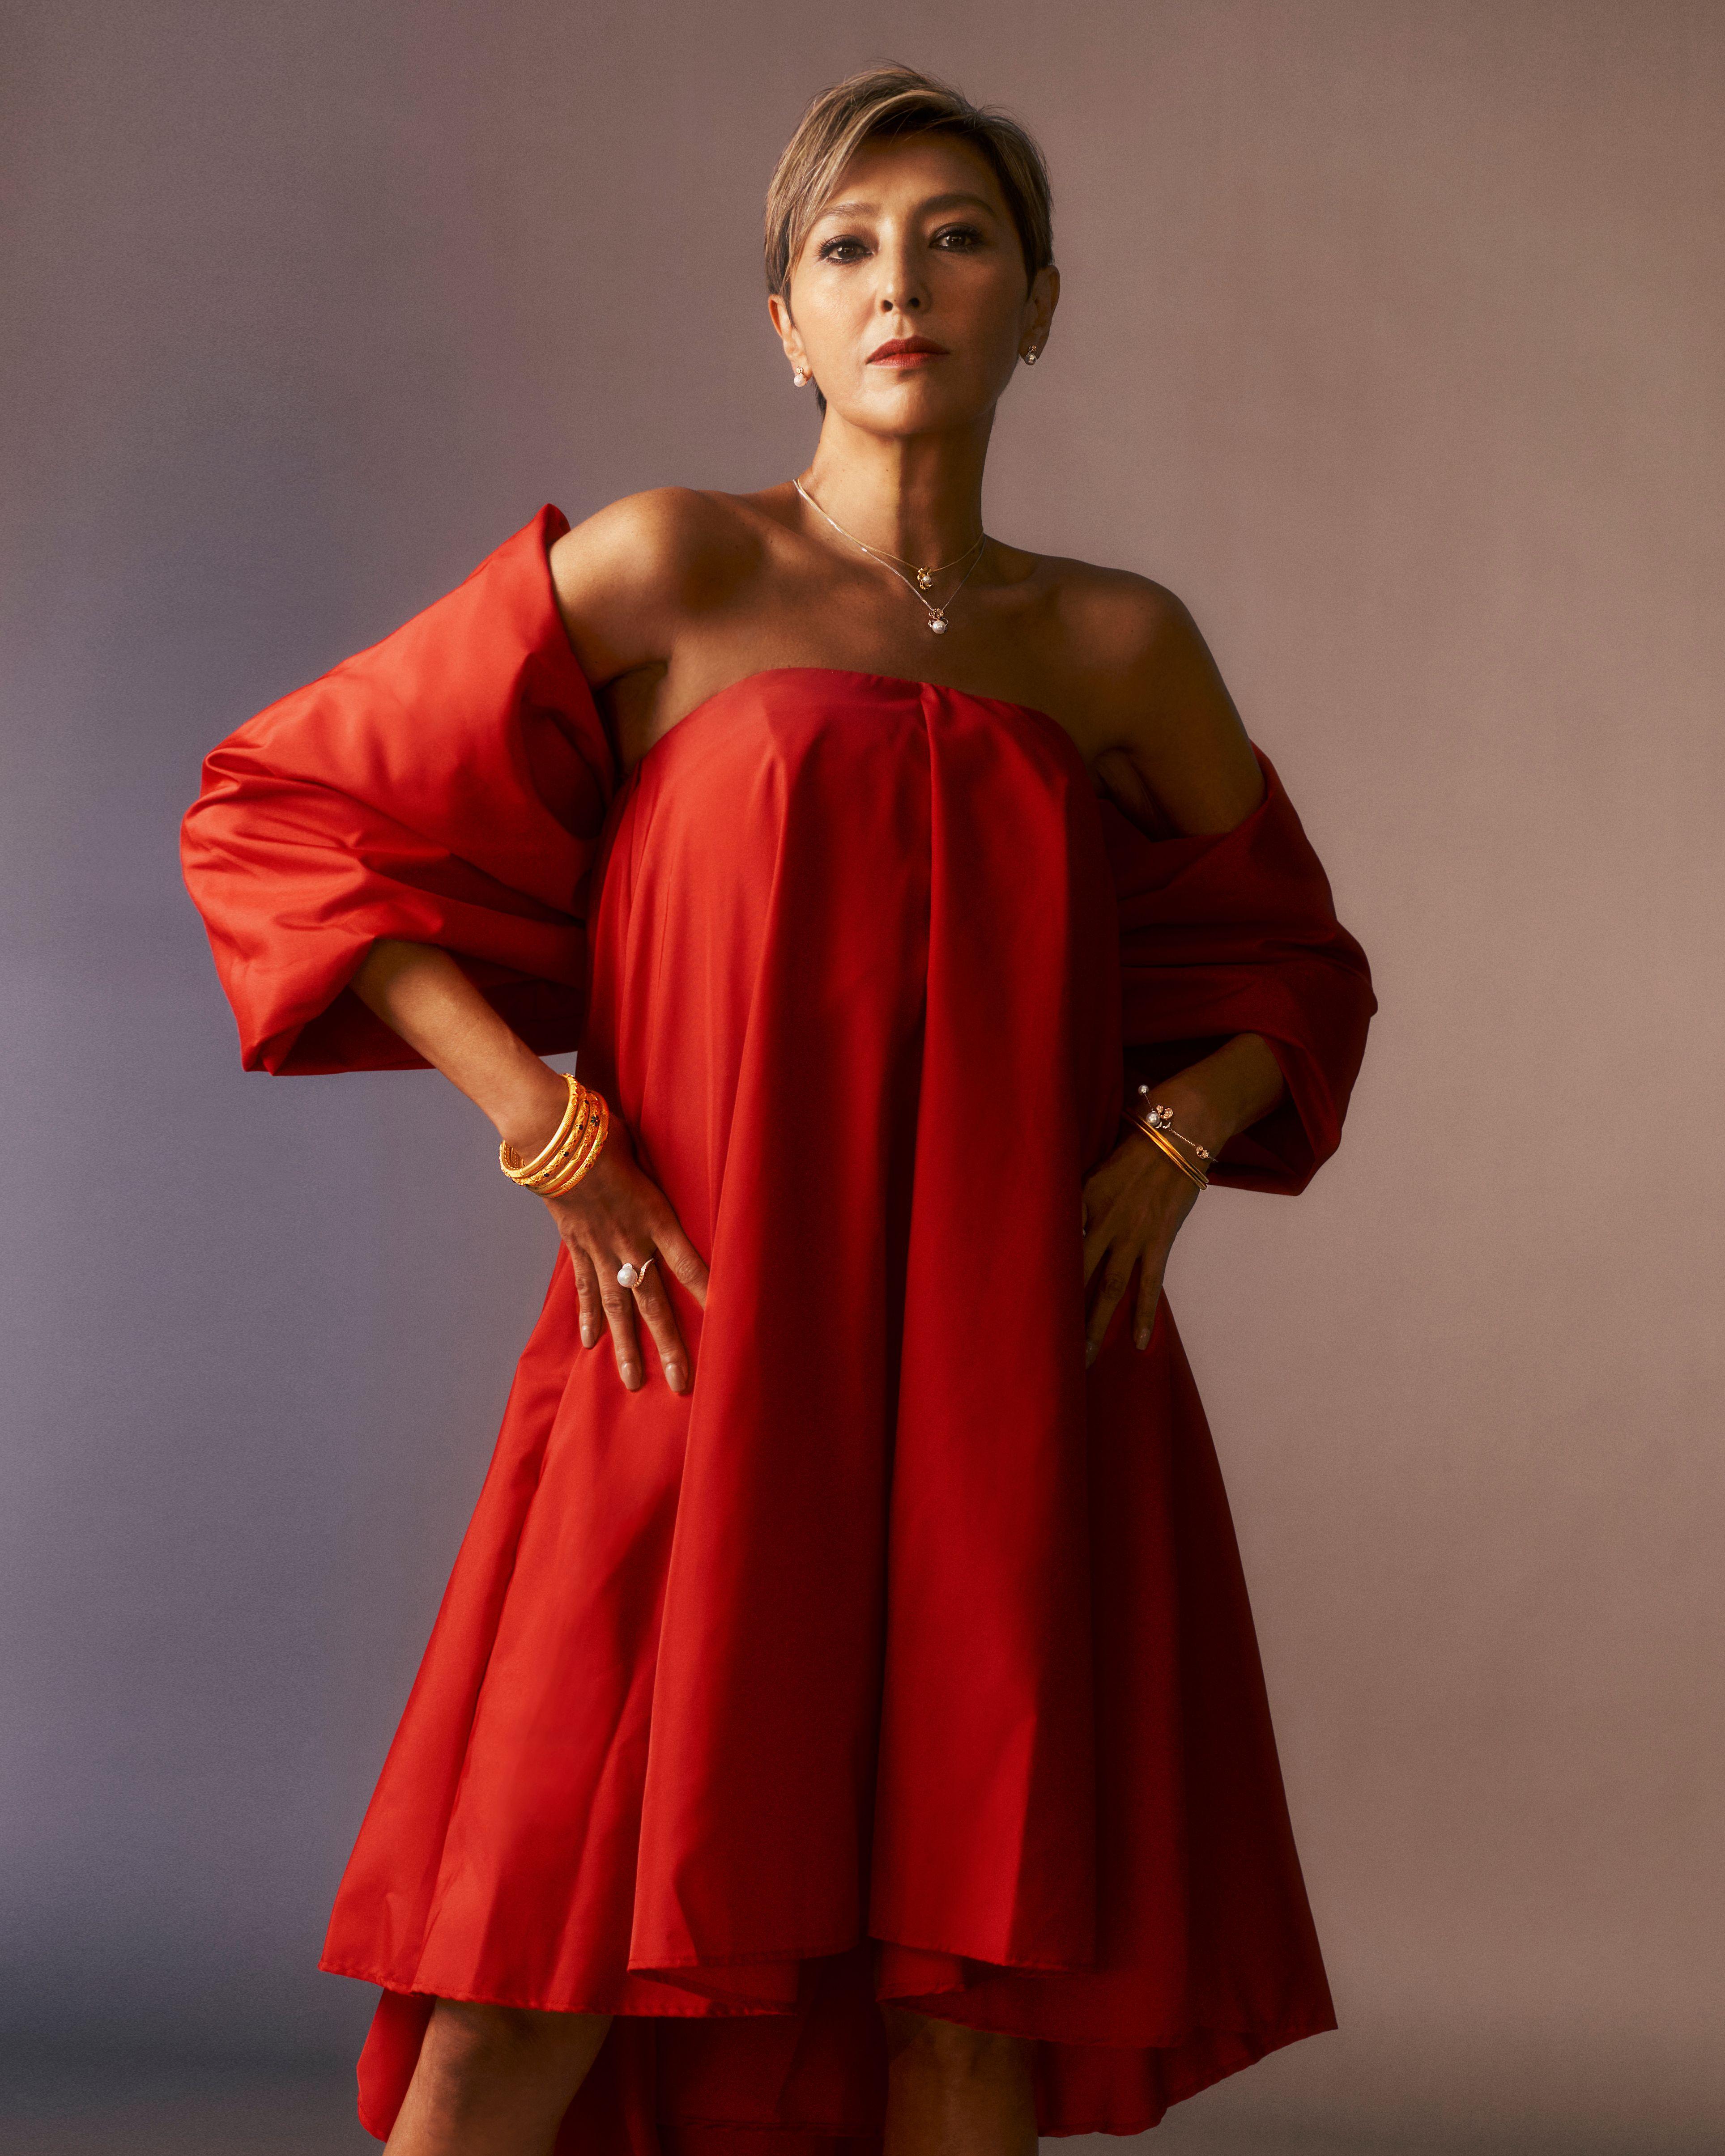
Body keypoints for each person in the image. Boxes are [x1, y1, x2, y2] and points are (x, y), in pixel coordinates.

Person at [181, 61, 1377, 2156]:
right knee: (530, 1965)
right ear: (788, 322)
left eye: (957, 238)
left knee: (962, 1996)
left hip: (1007, 1380)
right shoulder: (669, 565)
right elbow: (287, 813)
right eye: (848, 247)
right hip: (697, 1339)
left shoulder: (1114, 645)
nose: (901, 282)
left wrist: (1174, 1141)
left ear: (1036, 302)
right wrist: (544, 1124)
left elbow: (1292, 964)